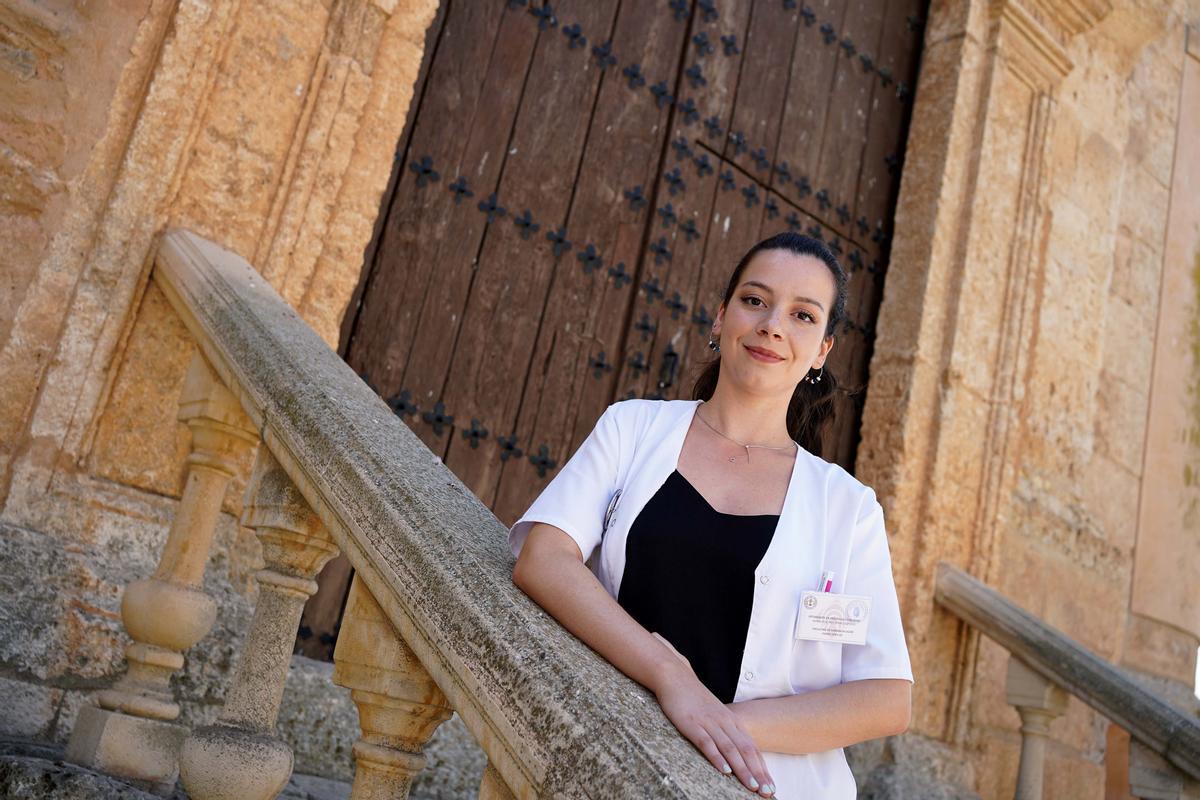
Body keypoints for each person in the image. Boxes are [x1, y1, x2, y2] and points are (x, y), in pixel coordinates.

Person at [508, 232, 913, 799]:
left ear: (822, 350)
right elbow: (543, 559)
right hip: (608, 764)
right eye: (755, 300)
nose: (773, 324)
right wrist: (669, 677)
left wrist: (717, 724)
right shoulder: (633, 429)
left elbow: (886, 698)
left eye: (802, 315)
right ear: (721, 317)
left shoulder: (847, 508)